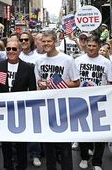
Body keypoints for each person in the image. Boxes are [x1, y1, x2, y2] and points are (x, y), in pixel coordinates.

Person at [35, 31, 80, 170]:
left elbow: (76, 82)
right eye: (44, 41)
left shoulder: (67, 60)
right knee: (48, 145)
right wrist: (42, 85)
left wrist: (57, 85)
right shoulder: (39, 61)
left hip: (63, 107)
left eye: (49, 41)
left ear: (55, 41)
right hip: (46, 106)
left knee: (64, 145)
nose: (46, 44)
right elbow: (39, 83)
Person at [0, 39, 36, 170]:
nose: (11, 51)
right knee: (6, 142)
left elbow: (33, 91)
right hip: (4, 110)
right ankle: (8, 166)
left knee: (21, 142)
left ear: (19, 51)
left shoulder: (28, 68)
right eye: (8, 49)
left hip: (21, 110)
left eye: (14, 49)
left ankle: (22, 166)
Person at [75, 36, 112, 170]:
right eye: (89, 45)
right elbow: (74, 81)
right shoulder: (78, 60)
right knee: (84, 132)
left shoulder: (106, 62)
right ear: (85, 46)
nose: (91, 48)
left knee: (100, 134)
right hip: (81, 102)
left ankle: (97, 162)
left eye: (94, 46)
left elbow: (109, 82)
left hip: (100, 102)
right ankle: (84, 157)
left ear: (99, 46)